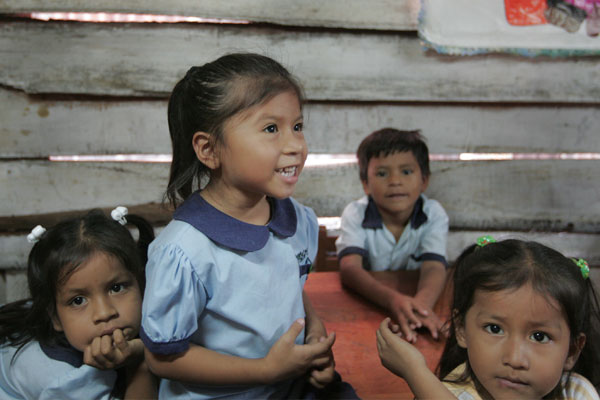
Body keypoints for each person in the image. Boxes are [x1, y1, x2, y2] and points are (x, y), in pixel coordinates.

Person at [141, 53, 354, 399]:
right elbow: (162, 359)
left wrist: (313, 332)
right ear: (209, 150)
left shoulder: (296, 219)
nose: (295, 146)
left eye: (297, 126)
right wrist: (266, 370)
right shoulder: (184, 251)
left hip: (290, 388)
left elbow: (289, 285)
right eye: (271, 129)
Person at [377, 236, 600, 399]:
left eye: (539, 336)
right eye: (494, 329)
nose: (514, 359)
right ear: (461, 329)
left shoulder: (575, 393)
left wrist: (415, 372)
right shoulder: (455, 394)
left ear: (572, 350)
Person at [0, 207, 157, 399]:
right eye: (78, 300)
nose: (104, 312)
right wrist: (140, 363)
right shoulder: (59, 377)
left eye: (116, 288)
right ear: (54, 317)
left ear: (140, 284)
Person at [335, 128, 449, 343]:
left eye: (406, 172)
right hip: (367, 308)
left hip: (414, 306)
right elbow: (350, 269)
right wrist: (392, 300)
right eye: (382, 173)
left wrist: (421, 308)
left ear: (424, 180)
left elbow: (434, 266)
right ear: (365, 184)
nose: (395, 181)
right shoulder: (356, 213)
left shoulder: (433, 214)